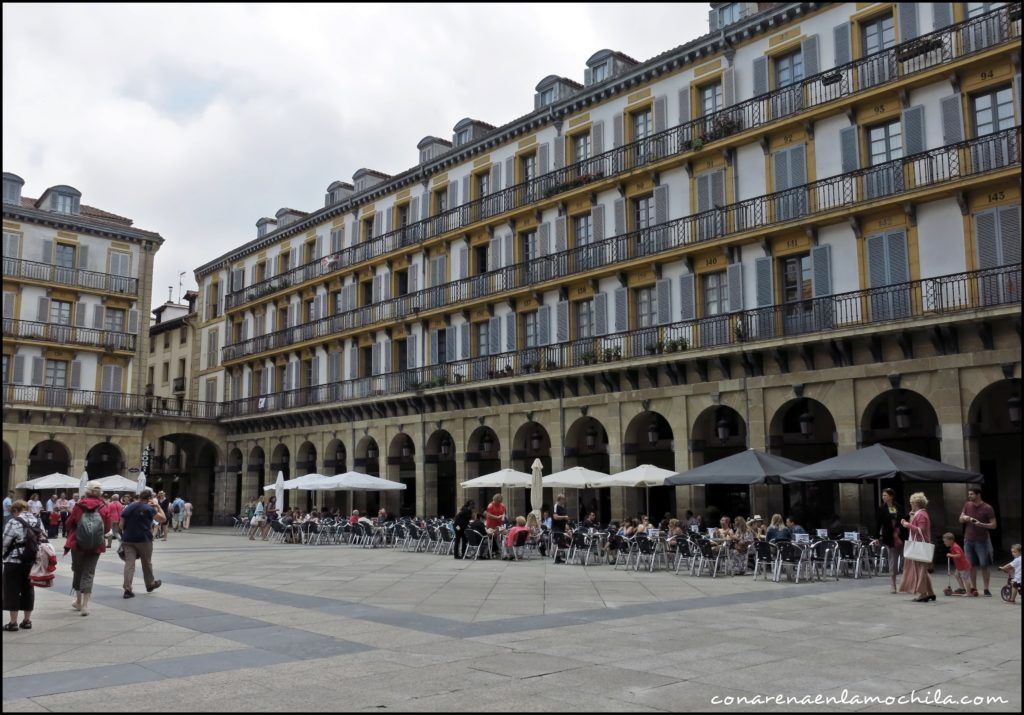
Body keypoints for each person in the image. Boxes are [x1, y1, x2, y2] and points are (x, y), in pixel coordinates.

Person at [64, 481, 112, 616]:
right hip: (96, 545)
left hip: (78, 544)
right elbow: (107, 527)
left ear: (87, 491)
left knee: (77, 570)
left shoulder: (79, 505)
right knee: (89, 573)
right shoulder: (104, 506)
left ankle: (78, 601)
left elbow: (69, 523)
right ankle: (85, 605)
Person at [2, 500, 42, 631]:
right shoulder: (37, 520)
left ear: (15, 510)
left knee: (12, 590)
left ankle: (13, 623)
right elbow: (42, 539)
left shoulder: (14, 521)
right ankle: (27, 621)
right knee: (28, 589)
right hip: (31, 561)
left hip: (14, 561)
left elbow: (4, 542)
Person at [120, 489, 165, 599]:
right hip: (144, 539)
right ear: (149, 498)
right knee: (146, 562)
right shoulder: (149, 508)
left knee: (129, 564)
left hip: (128, 539)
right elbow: (163, 519)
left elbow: (121, 525)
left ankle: (127, 589)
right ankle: (150, 584)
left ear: (140, 497)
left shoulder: (129, 507)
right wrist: (158, 506)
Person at [959, 487, 997, 597]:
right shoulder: (967, 505)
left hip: (982, 541)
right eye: (969, 494)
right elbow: (960, 519)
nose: (969, 496)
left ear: (978, 495)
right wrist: (964, 518)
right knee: (971, 565)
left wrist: (981, 524)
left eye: (971, 494)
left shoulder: (987, 508)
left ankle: (986, 588)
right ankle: (974, 588)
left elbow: (994, 525)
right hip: (968, 539)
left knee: (984, 565)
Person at [899, 492, 935, 602]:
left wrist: (907, 525)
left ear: (916, 503)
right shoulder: (920, 513)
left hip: (919, 546)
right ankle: (930, 593)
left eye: (911, 502)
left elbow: (921, 530)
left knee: (920, 570)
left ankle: (923, 594)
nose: (910, 504)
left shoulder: (921, 514)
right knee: (923, 570)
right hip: (920, 545)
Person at [874, 487, 908, 594]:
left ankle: (905, 583)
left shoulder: (899, 507)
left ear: (891, 496)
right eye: (883, 495)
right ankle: (893, 584)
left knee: (904, 560)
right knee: (892, 560)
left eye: (885, 495)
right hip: (889, 537)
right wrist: (876, 537)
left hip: (901, 536)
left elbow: (904, 519)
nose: (883, 497)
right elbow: (878, 523)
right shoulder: (881, 508)